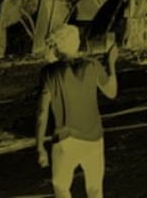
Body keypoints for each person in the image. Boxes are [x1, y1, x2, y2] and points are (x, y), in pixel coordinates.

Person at [36, 25, 118, 198]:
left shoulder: (49, 72)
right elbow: (112, 92)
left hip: (65, 140)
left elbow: (42, 113)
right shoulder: (92, 65)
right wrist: (111, 63)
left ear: (56, 47)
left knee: (61, 187)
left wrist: (40, 147)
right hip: (94, 138)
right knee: (95, 189)